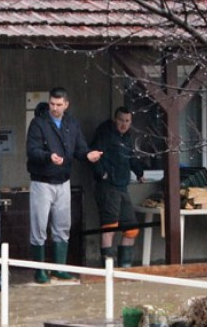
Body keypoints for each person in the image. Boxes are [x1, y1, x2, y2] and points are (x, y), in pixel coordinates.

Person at [26, 87, 102, 284]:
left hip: (63, 181)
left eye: (59, 105)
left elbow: (80, 148)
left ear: (66, 105)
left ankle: (59, 269)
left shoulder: (72, 124)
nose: (54, 108)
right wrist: (48, 156)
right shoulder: (38, 123)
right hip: (42, 181)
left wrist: (88, 155)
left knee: (62, 226)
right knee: (39, 227)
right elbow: (32, 150)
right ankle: (40, 271)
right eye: (52, 104)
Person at [91, 107, 145, 267]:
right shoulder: (104, 134)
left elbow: (131, 158)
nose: (124, 124)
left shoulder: (127, 137)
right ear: (115, 119)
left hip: (123, 186)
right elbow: (93, 154)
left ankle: (125, 266)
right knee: (109, 226)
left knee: (132, 229)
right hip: (107, 187)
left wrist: (139, 172)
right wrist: (101, 174)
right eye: (121, 120)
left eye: (127, 121)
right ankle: (108, 267)